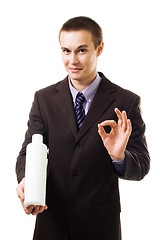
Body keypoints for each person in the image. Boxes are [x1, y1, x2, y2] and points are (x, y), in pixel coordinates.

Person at [16, 16, 150, 240]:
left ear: (100, 49)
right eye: (66, 51)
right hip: (52, 224)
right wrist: (26, 181)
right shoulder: (44, 99)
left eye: (81, 50)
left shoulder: (126, 101)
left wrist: (119, 157)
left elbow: (142, 164)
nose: (72, 60)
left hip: (99, 228)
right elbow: (28, 152)